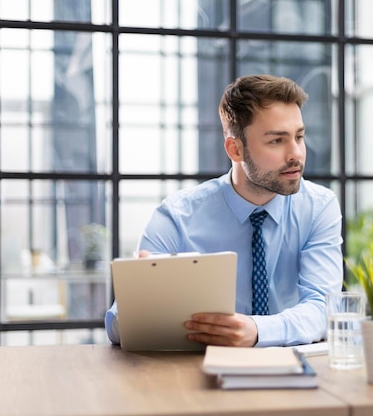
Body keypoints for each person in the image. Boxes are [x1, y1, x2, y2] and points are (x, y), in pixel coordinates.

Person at [105, 74, 343, 347]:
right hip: (195, 374)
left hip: (293, 370)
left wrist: (256, 330)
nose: (296, 154)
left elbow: (323, 309)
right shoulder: (177, 216)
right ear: (235, 149)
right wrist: (139, 298)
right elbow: (117, 327)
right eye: (277, 141)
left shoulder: (319, 207)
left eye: (299, 137)